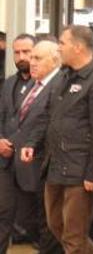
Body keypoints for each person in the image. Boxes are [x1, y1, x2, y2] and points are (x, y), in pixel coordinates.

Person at [43, 25, 93, 254]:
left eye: (62, 43)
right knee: (57, 226)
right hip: (55, 165)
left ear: (77, 47)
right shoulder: (64, 76)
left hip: (81, 169)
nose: (59, 48)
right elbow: (51, 117)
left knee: (74, 236)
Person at [0, 40, 61, 252]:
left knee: (48, 221)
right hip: (11, 161)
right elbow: (9, 118)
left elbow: (46, 123)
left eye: (36, 57)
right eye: (22, 54)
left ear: (55, 61)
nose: (29, 61)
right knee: (9, 214)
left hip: (42, 162)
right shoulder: (18, 84)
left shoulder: (57, 85)